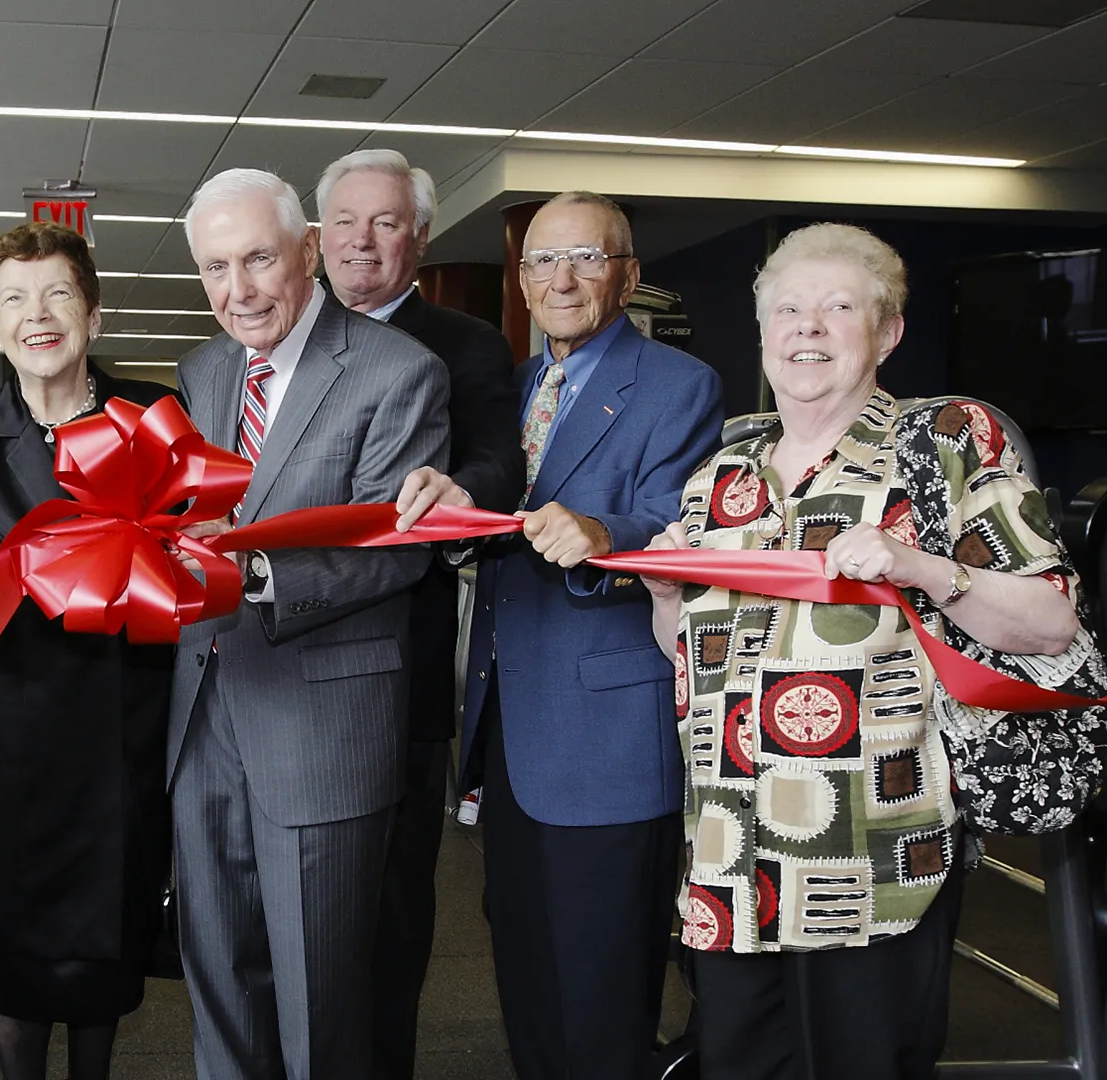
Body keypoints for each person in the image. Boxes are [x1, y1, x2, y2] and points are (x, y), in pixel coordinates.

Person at [644, 223, 1084, 1079]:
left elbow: (1051, 623)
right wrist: (666, 593)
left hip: (876, 856)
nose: (808, 327)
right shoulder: (722, 475)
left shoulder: (948, 442)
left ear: (888, 333)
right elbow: (687, 660)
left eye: (839, 308)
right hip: (732, 859)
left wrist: (924, 568)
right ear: (764, 331)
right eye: (789, 309)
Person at [396, 190, 723, 1080]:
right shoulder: (517, 384)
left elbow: (680, 521)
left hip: (608, 735)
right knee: (526, 970)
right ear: (522, 280)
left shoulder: (676, 387)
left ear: (628, 275)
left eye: (587, 257)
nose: (562, 279)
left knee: (602, 985)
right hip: (509, 722)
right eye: (542, 261)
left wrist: (603, 533)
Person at [170, 167, 448, 1078]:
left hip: (321, 722)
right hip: (204, 707)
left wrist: (249, 570)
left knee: (320, 1000)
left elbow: (396, 547)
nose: (238, 291)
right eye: (215, 268)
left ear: (307, 250)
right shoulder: (204, 369)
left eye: (257, 259)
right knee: (218, 980)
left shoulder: (396, 370)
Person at [0, 221, 177, 1080]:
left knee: (104, 961)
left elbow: (196, 559)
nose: (37, 315)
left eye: (57, 292)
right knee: (8, 964)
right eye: (14, 299)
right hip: (4, 748)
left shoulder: (154, 426)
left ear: (92, 311)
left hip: (121, 736)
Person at [315, 148, 524, 1080]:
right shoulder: (281, 332)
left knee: (389, 909)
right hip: (273, 663)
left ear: (421, 236)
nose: (364, 243)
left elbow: (495, 468)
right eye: (347, 223)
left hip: (397, 668)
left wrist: (455, 494)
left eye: (387, 223)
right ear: (317, 237)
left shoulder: (468, 343)